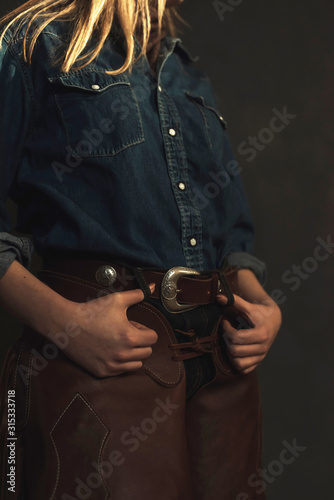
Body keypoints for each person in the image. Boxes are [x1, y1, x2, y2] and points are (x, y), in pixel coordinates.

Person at [0, 0, 282, 498]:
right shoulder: (32, 41)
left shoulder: (187, 75)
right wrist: (68, 326)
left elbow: (232, 238)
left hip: (222, 369)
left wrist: (264, 307)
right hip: (111, 360)